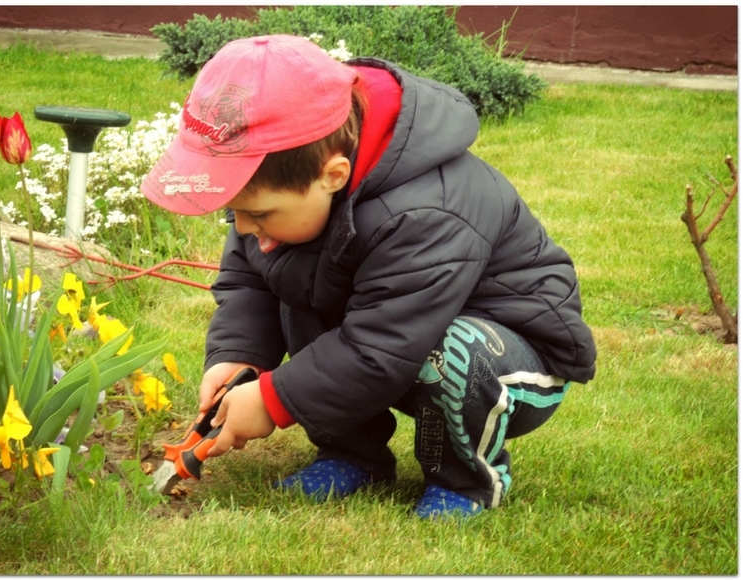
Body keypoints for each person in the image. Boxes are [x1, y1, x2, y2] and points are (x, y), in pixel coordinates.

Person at [142, 34, 597, 519]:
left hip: (509, 360)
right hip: (402, 340)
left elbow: (381, 345)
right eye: (235, 212)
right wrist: (239, 356)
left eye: (258, 214)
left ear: (333, 175)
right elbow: (252, 282)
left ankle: (465, 480)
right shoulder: (284, 204)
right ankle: (352, 455)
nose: (243, 228)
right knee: (301, 281)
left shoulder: (425, 211)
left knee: (456, 350)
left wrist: (274, 401)